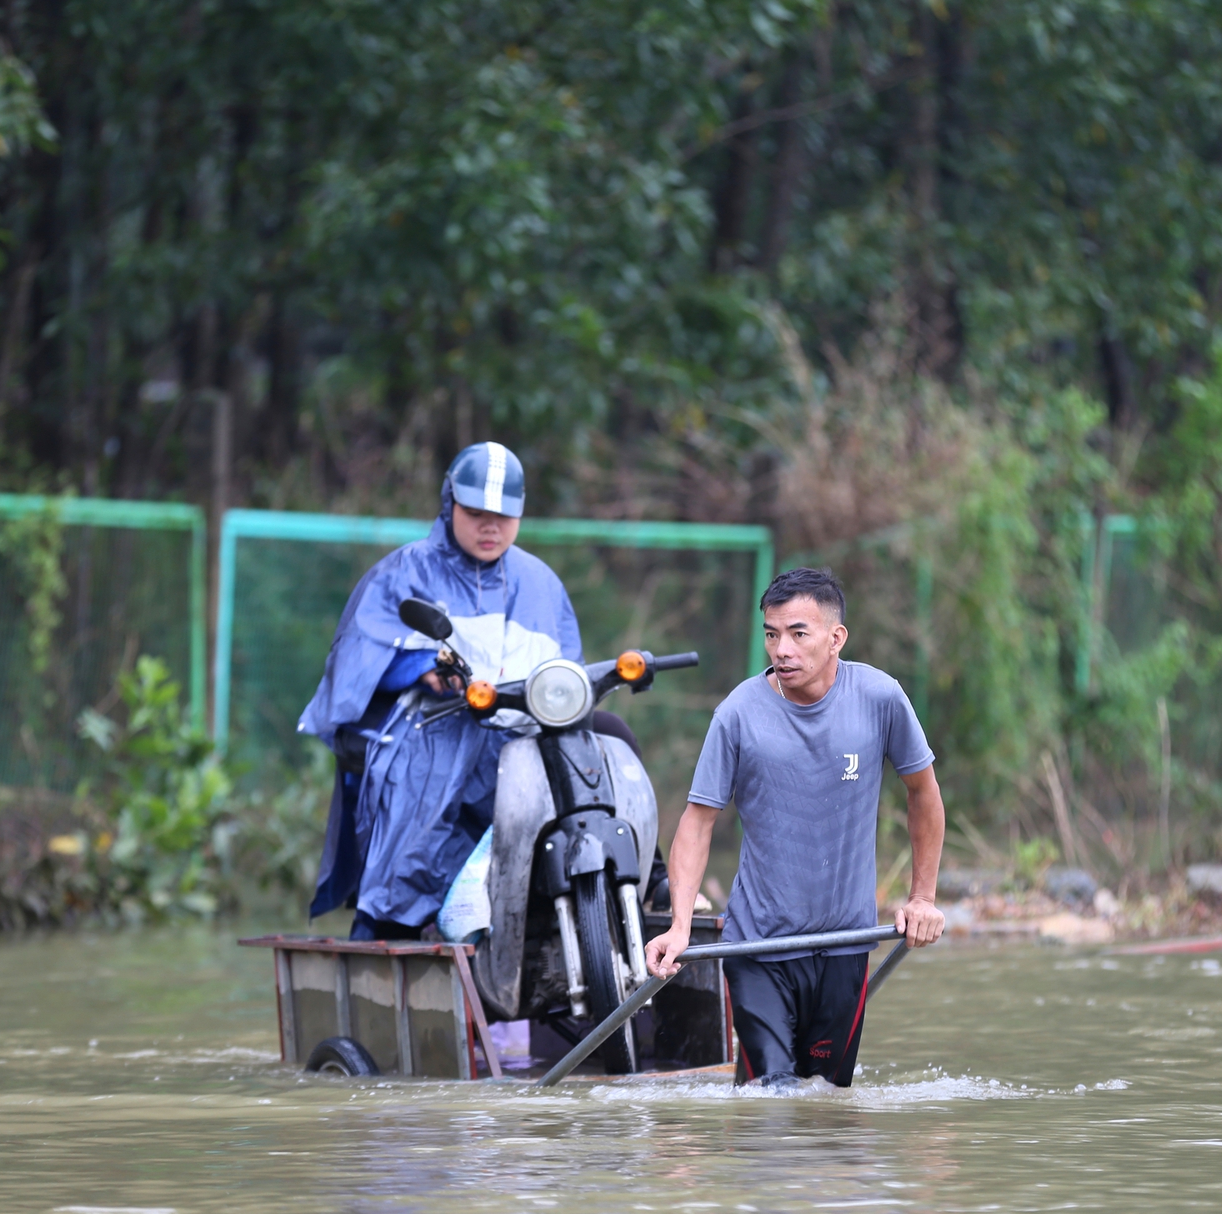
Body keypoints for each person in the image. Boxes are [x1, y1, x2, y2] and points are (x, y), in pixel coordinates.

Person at [645, 566, 947, 1087]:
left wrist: (922, 898)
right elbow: (697, 823)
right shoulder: (737, 714)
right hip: (757, 947)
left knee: (825, 1101)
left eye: (797, 634)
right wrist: (676, 926)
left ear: (836, 639)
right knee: (773, 1095)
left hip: (847, 943)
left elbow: (923, 793)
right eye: (771, 634)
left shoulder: (880, 698)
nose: (781, 648)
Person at [298, 442, 583, 941]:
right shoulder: (401, 573)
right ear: (450, 502)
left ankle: (642, 880)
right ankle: (386, 931)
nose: (490, 527)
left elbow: (568, 676)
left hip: (520, 743)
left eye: (504, 516)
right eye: (476, 513)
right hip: (429, 738)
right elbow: (357, 663)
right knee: (413, 852)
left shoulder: (542, 584)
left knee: (605, 739)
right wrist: (418, 667)